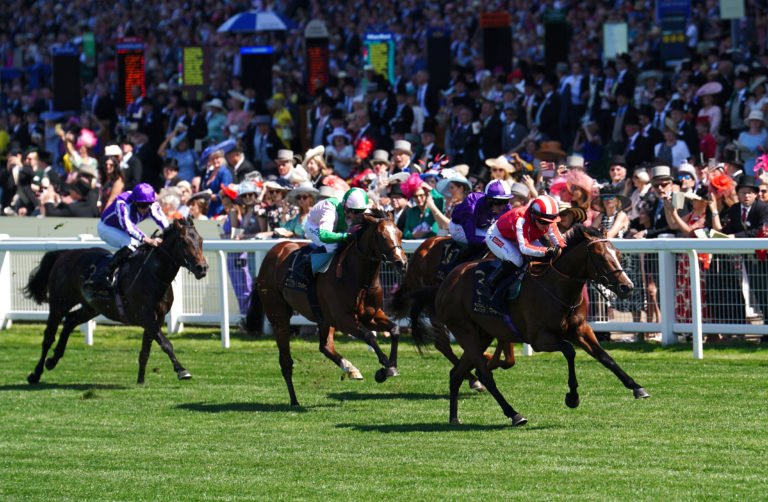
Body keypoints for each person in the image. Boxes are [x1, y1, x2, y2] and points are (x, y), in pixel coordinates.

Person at [88, 183, 169, 299]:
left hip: (122, 229)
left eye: (147, 205)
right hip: (106, 227)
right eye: (141, 205)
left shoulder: (151, 205)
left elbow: (163, 222)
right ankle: (104, 275)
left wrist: (169, 234)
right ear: (135, 201)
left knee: (141, 246)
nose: (144, 209)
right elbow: (128, 226)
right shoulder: (122, 202)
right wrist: (148, 240)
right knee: (132, 243)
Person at [483, 194, 567, 299]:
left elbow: (559, 240)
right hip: (497, 236)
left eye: (549, 223)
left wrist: (564, 249)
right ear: (533, 216)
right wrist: (548, 250)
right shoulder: (521, 219)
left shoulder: (548, 219)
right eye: (542, 222)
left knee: (545, 255)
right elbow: (524, 248)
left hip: (522, 236)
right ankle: (490, 284)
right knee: (516, 259)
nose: (546, 225)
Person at [448, 179, 513, 261]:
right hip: (459, 226)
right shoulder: (472, 204)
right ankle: (454, 264)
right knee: (490, 241)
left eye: (505, 201)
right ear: (489, 199)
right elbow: (471, 238)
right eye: (498, 202)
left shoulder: (507, 207)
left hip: (482, 225)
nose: (502, 206)